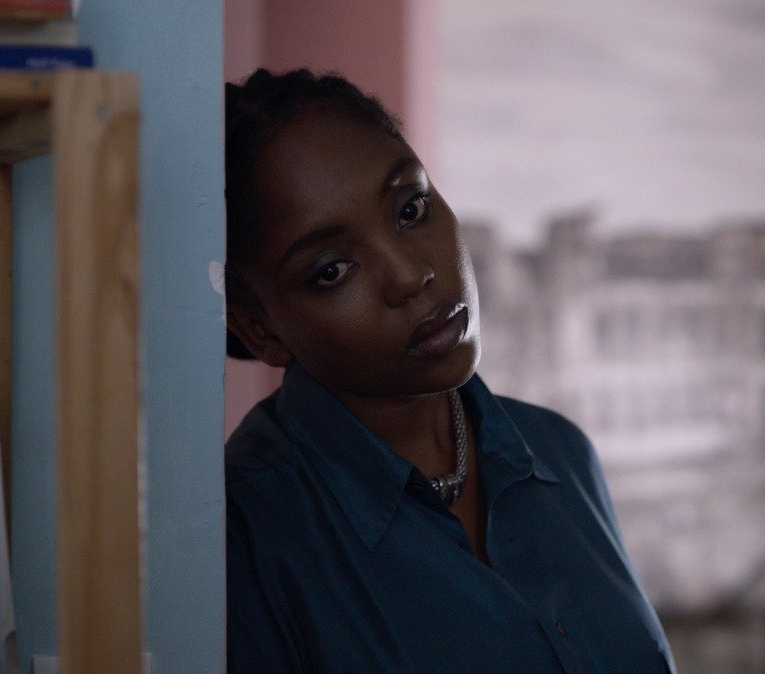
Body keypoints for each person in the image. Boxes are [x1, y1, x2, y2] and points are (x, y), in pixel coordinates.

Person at [224, 67, 676, 673]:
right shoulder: (243, 537)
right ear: (260, 328)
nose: (412, 276)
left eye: (411, 208)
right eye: (332, 270)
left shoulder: (560, 454)